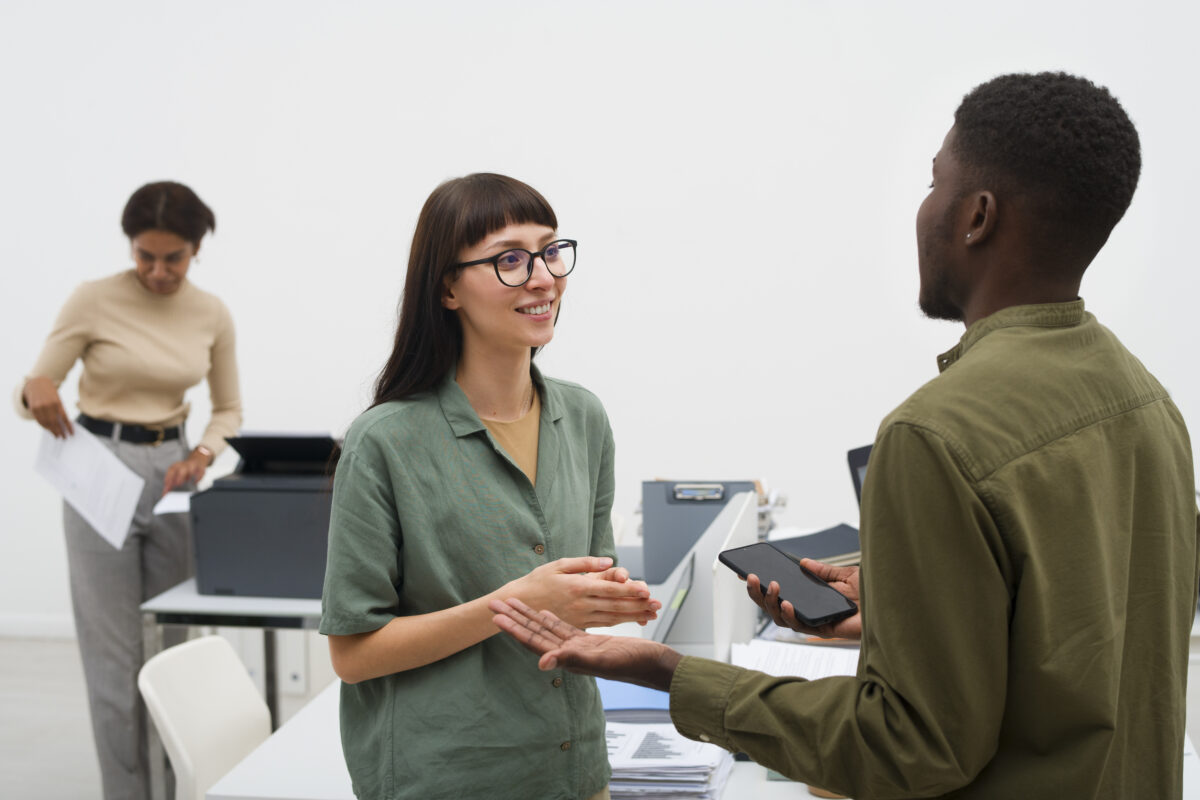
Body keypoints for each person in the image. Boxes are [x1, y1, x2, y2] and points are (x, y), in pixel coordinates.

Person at [492, 72, 1200, 798]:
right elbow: (1083, 634)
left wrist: (672, 675)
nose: (923, 210)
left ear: (977, 216)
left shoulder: (935, 435)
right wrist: (905, 613)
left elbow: (911, 747)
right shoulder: (1146, 401)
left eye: (935, 183)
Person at [319, 173, 661, 800]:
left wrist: (608, 605)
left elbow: (577, 598)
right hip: (447, 778)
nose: (543, 277)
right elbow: (354, 653)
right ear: (448, 287)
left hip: (574, 772)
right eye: (509, 259)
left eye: (551, 251)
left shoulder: (584, 418)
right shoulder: (384, 442)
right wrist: (518, 603)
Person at [16, 180, 242, 800]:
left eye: (174, 258)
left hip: (174, 469)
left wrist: (202, 453)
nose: (158, 271)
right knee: (112, 657)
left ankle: (181, 784)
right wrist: (34, 391)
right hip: (98, 467)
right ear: (131, 247)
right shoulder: (93, 300)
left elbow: (228, 410)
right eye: (145, 256)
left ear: (196, 249)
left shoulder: (212, 312)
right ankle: (126, 793)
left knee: (171, 649)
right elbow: (39, 382)